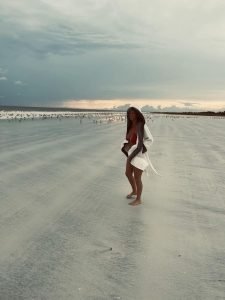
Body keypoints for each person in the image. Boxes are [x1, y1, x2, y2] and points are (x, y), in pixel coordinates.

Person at [121, 106, 159, 206]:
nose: (131, 115)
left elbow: (141, 142)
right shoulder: (130, 125)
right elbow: (129, 139)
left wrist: (132, 155)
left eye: (133, 113)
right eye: (129, 114)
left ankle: (139, 199)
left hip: (138, 154)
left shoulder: (140, 124)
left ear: (137, 113)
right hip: (132, 152)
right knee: (128, 173)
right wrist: (126, 147)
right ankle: (134, 191)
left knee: (137, 177)